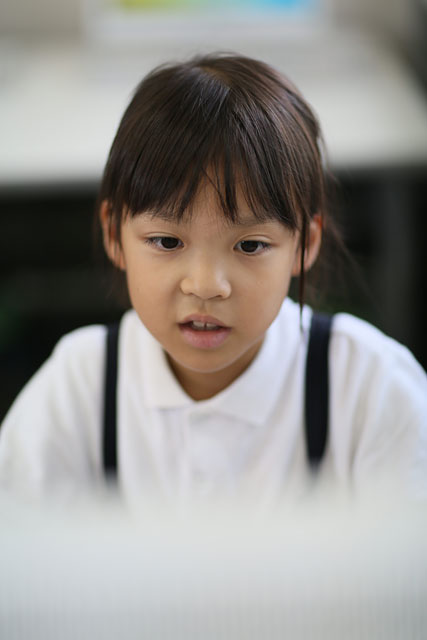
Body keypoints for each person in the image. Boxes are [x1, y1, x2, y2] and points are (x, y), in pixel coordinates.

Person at [0, 53, 426, 507]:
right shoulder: (78, 388)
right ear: (113, 234)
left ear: (306, 242)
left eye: (250, 246)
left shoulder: (372, 388)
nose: (205, 286)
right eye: (167, 242)